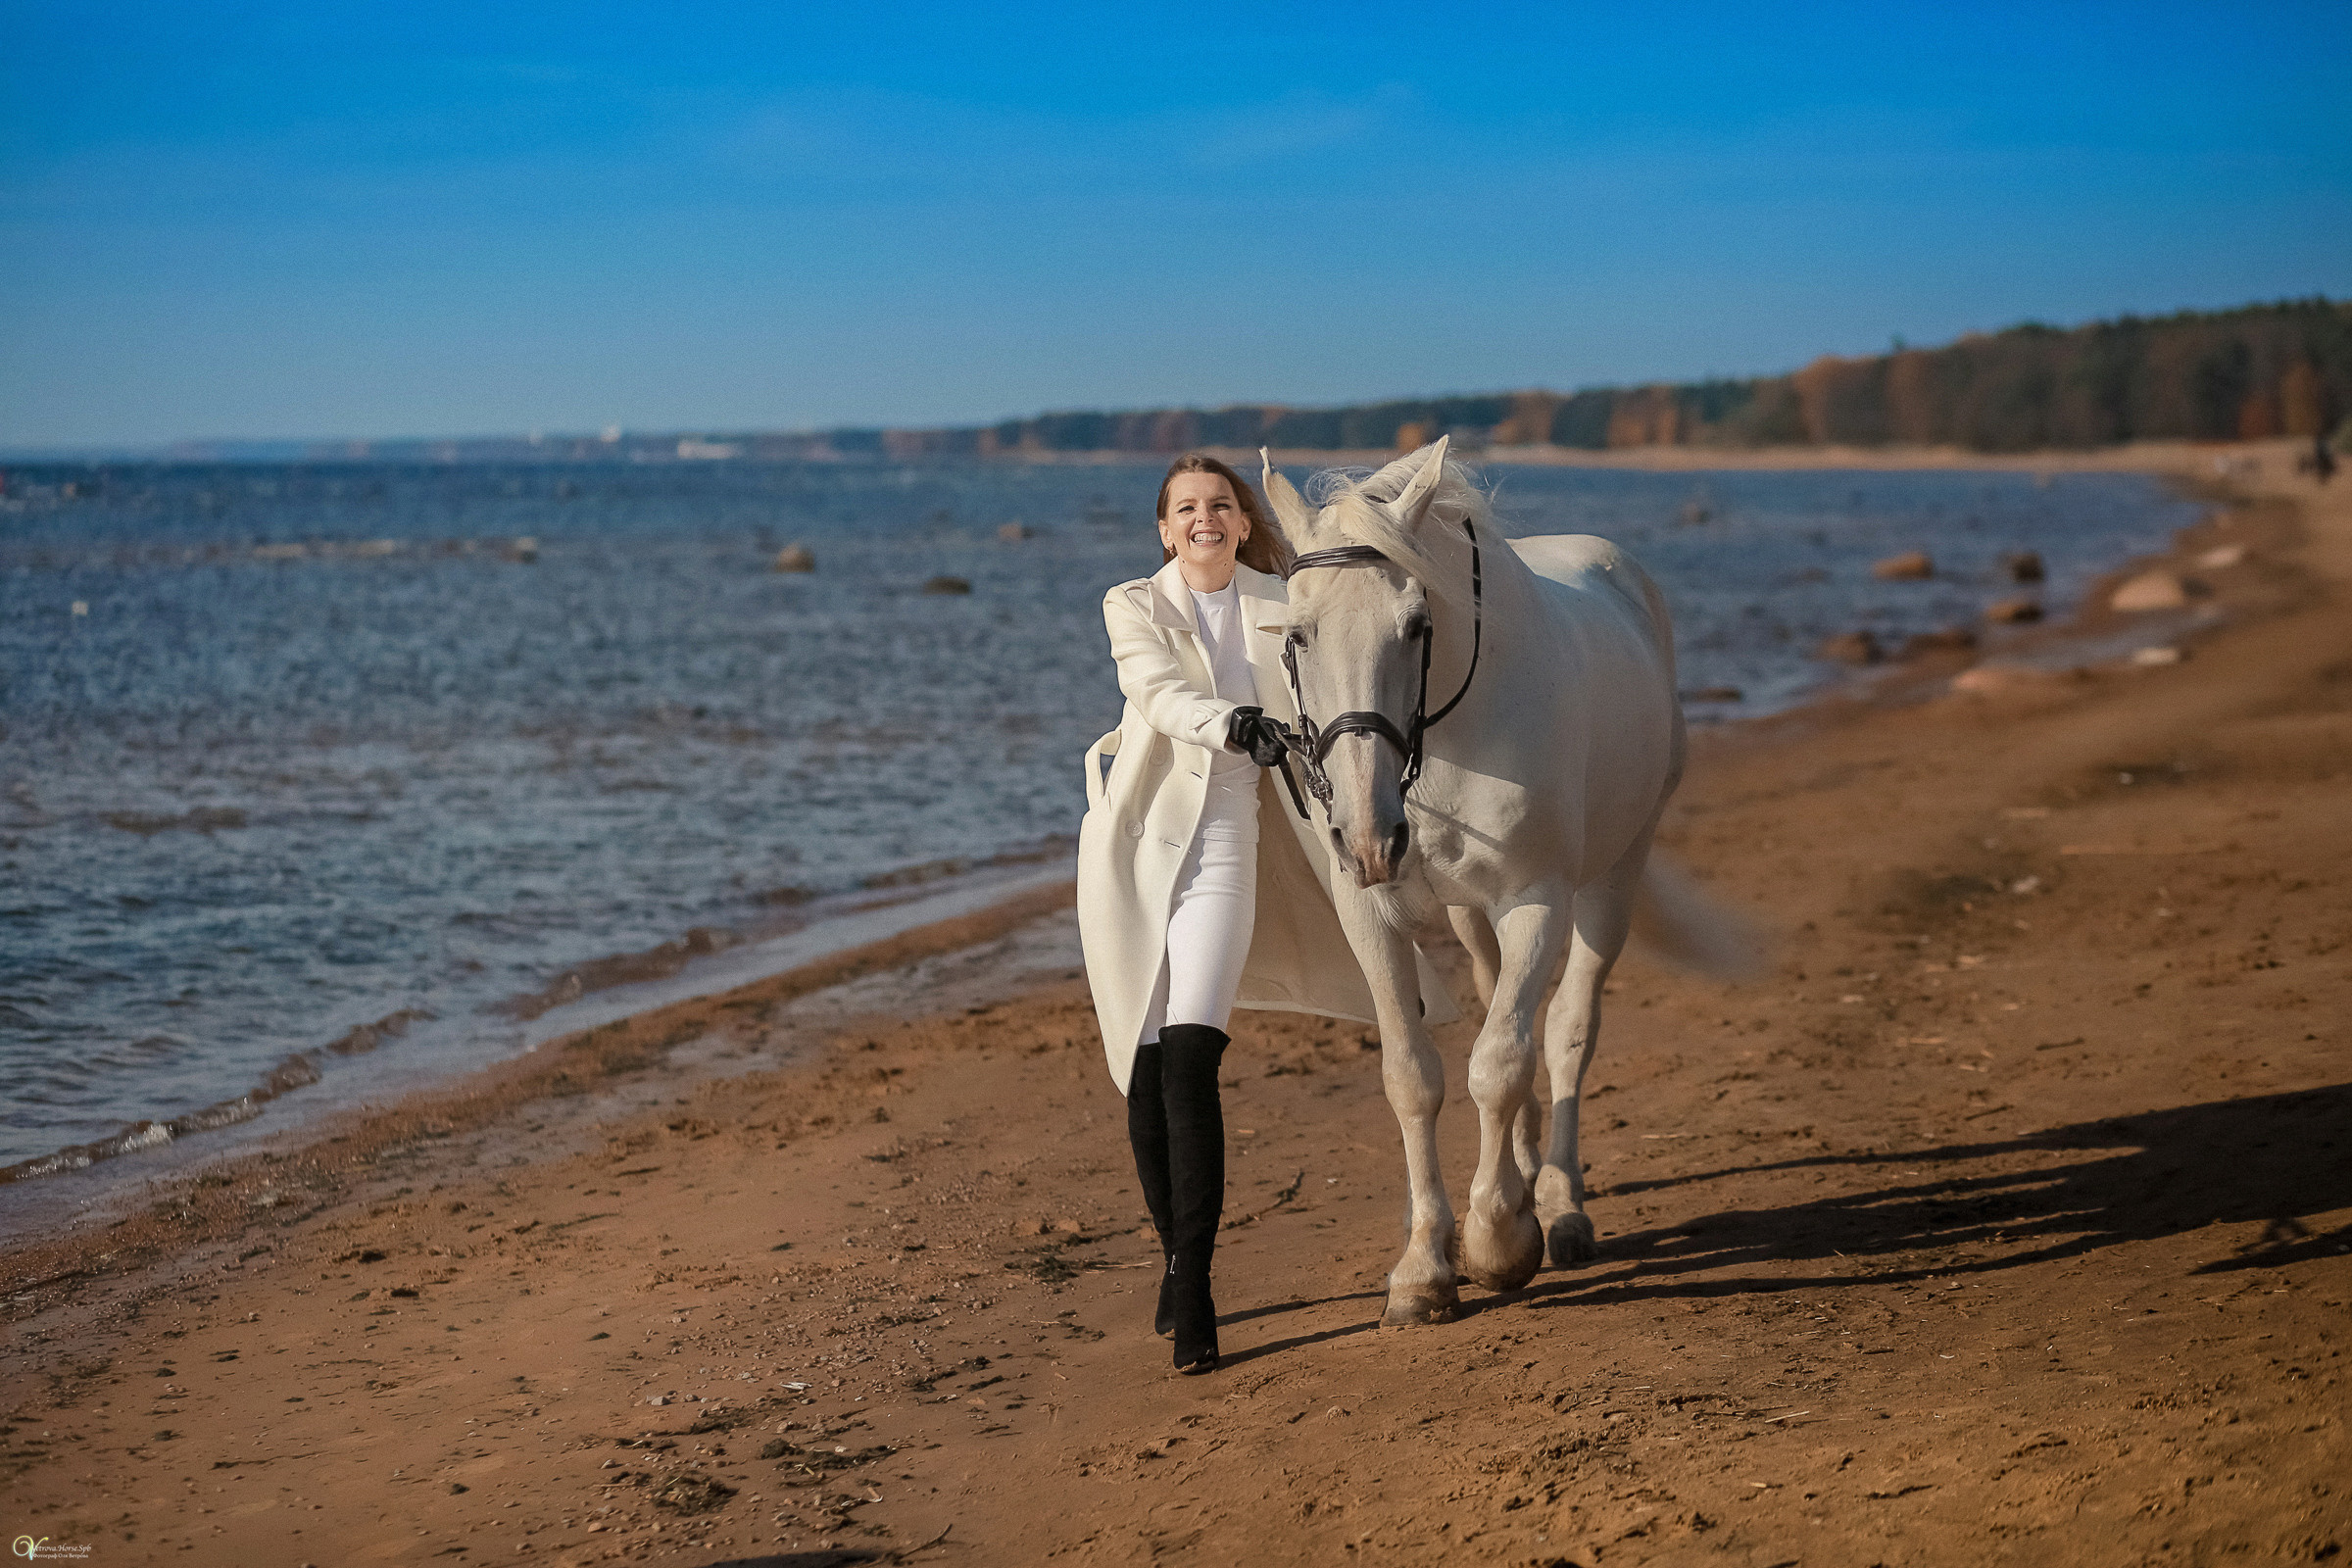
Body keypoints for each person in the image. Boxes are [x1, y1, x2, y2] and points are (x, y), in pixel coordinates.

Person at [1075, 453, 1457, 1373]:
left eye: (1220, 505)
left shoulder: (1287, 599)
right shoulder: (1131, 605)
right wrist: (1234, 722)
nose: (1204, 518)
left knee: (1194, 1054)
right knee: (1144, 1061)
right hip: (1135, 853)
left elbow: (1350, 684)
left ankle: (1196, 1287)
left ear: (1244, 523)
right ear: (1164, 530)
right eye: (1185, 509)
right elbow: (1160, 697)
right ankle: (1174, 1255)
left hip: (1225, 855)